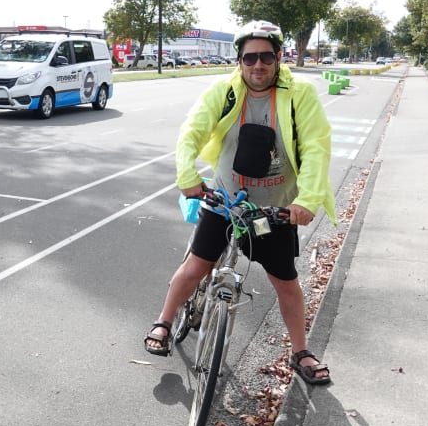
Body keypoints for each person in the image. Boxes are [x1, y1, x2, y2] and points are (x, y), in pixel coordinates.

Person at [143, 20, 337, 385]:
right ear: (239, 61)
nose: (258, 66)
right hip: (224, 199)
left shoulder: (300, 95)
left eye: (266, 57)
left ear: (279, 57)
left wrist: (307, 200)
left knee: (286, 283)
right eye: (250, 58)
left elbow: (315, 147)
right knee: (195, 268)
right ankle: (164, 321)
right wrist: (187, 177)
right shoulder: (225, 90)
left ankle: (301, 351)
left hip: (274, 210)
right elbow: (192, 132)